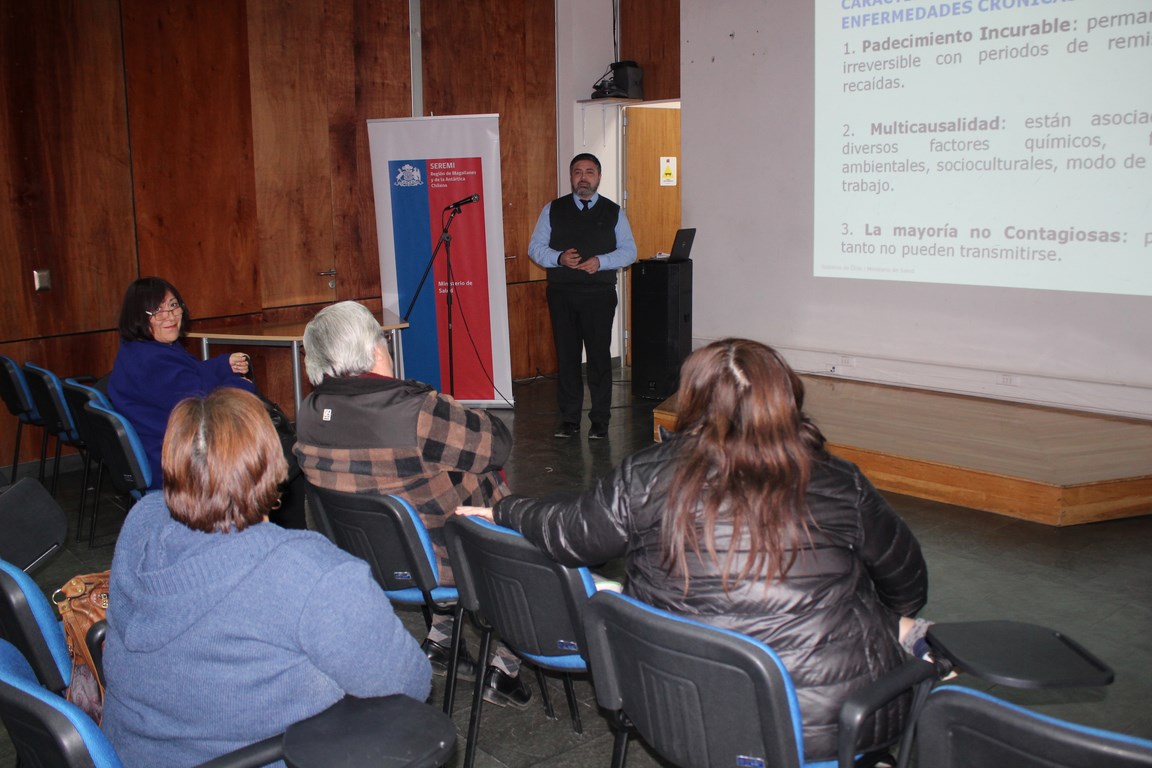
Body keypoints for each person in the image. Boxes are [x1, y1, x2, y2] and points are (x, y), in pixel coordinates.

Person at [460, 338, 929, 762]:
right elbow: (908, 583)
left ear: (693, 398)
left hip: (671, 703)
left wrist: (507, 510)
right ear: (785, 398)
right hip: (822, 727)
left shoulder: (642, 476)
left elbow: (569, 533)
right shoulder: (839, 480)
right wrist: (884, 621)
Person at [101, 388, 431, 767]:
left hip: (129, 753)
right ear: (272, 465)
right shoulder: (313, 575)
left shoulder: (142, 520)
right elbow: (408, 683)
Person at [293, 300, 532, 708]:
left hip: (373, 559)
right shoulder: (416, 412)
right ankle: (505, 668)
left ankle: (441, 639)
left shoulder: (311, 414)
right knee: (508, 523)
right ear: (373, 350)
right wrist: (453, 409)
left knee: (426, 494)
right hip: (449, 560)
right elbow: (498, 444)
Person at [107, 277, 305, 528]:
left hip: (170, 449)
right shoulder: (153, 363)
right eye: (156, 311)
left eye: (173, 305)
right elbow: (209, 407)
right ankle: (282, 537)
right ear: (137, 316)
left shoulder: (140, 350)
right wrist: (243, 386)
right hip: (188, 464)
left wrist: (223, 365)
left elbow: (188, 376)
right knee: (289, 459)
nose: (169, 316)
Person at [528, 152, 637, 440]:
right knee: (567, 359)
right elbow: (535, 248)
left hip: (599, 295)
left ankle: (600, 421)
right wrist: (558, 258)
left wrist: (601, 261)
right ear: (571, 177)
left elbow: (629, 251)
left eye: (590, 172)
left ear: (598, 177)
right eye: (578, 172)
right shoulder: (552, 209)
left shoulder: (614, 211)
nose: (584, 177)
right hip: (562, 294)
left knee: (600, 360)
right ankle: (569, 421)